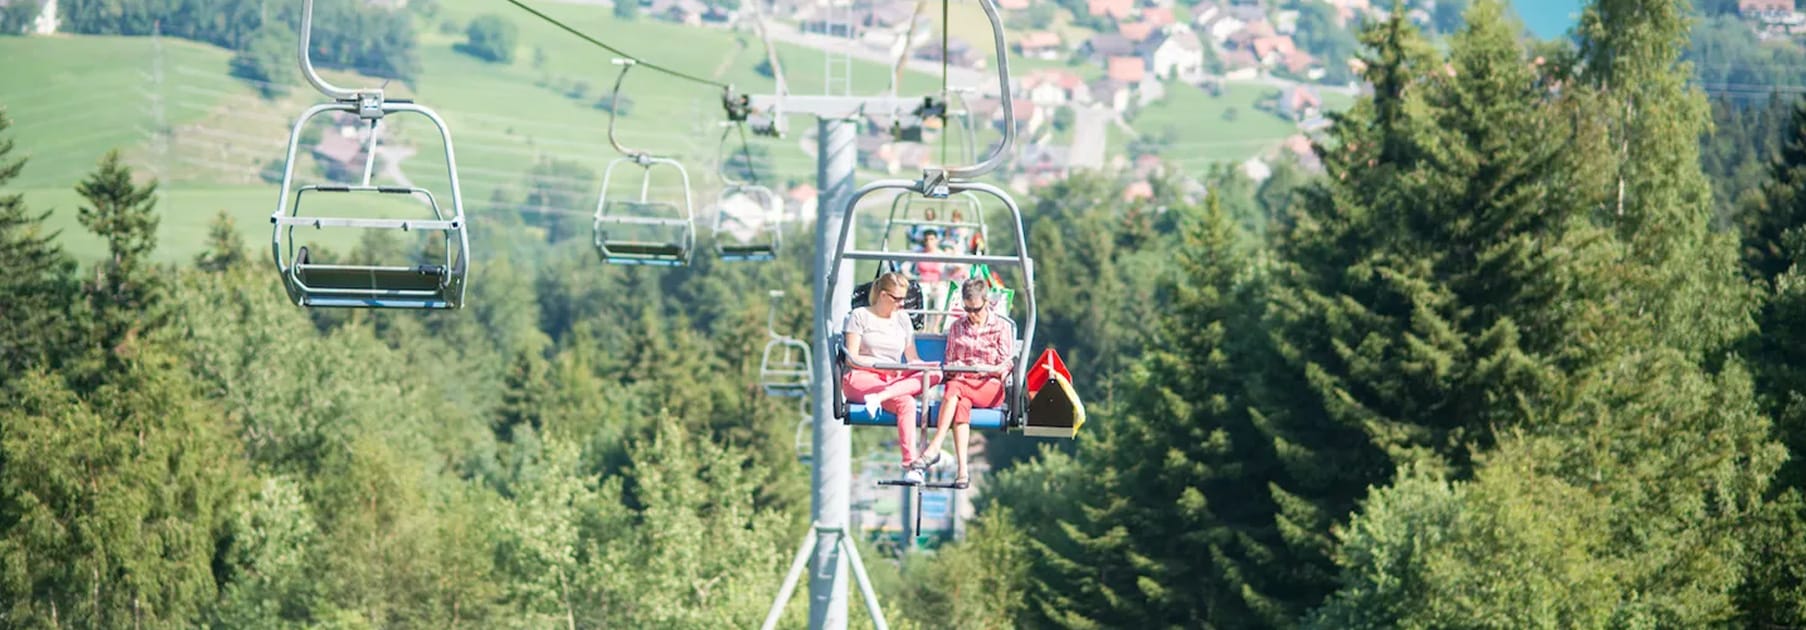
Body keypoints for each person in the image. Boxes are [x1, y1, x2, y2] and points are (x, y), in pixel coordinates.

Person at [843, 271, 942, 483]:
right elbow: (851, 358)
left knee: (934, 374)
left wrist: (925, 367)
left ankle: (879, 399)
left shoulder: (903, 320)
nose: (902, 305)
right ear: (883, 295)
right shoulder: (860, 316)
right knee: (905, 400)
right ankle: (910, 464)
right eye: (897, 299)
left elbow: (911, 357)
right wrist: (882, 367)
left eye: (904, 299)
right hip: (863, 376)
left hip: (891, 380)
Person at [920, 281, 1013, 489]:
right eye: (967, 309)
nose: (972, 314)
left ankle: (935, 445)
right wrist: (959, 367)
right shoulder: (957, 327)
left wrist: (981, 369)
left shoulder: (1000, 327)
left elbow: (1005, 365)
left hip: (989, 386)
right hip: (962, 385)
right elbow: (949, 362)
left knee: (956, 387)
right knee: (960, 401)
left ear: (987, 303)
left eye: (976, 309)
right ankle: (962, 470)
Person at [913, 229, 949, 331]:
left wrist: (939, 281)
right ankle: (922, 325)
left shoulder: (941, 255)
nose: (929, 242)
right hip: (923, 282)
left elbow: (946, 271)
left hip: (938, 282)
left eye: (932, 239)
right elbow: (908, 268)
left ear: (936, 240)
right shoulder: (919, 254)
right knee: (922, 292)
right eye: (927, 239)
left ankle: (936, 326)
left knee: (941, 292)